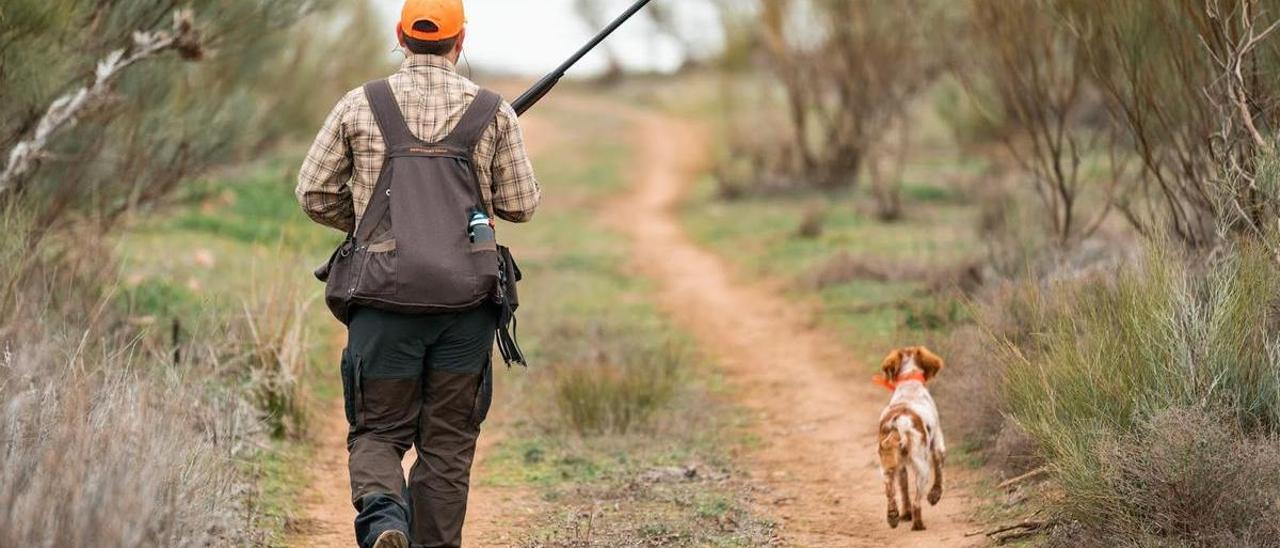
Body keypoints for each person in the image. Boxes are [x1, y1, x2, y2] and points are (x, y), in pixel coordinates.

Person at [295, 0, 540, 546]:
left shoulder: (361, 104)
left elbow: (312, 192)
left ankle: (384, 519)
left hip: (383, 306)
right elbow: (522, 204)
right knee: (449, 442)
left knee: (379, 430)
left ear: (401, 37)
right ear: (460, 43)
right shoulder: (494, 111)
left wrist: (365, 227)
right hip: (467, 308)